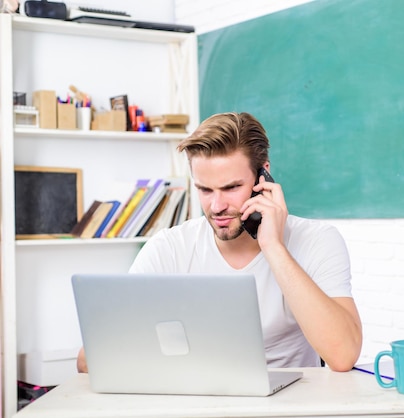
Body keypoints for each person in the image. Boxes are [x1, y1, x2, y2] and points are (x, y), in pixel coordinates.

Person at [77, 112, 362, 373]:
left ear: (263, 175)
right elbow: (89, 360)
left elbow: (343, 355)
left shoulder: (317, 241)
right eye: (204, 189)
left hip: (291, 406)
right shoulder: (169, 247)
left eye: (231, 187)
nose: (216, 206)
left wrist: (274, 247)